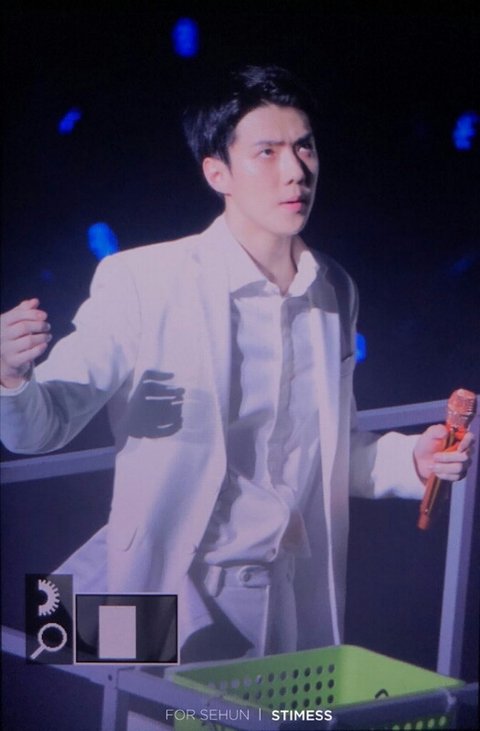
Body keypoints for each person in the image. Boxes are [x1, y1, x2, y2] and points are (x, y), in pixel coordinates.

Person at [0, 65, 473, 663]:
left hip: (289, 593)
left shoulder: (334, 289)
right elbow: (40, 428)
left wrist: (413, 459)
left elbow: (335, 451)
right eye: (267, 151)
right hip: (171, 588)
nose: (295, 170)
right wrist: (9, 376)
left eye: (304, 147)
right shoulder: (144, 279)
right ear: (217, 172)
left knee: (298, 711)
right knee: (160, 711)